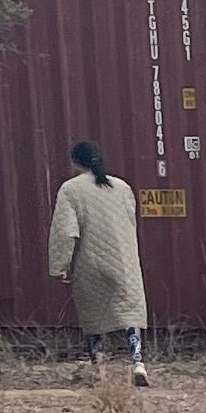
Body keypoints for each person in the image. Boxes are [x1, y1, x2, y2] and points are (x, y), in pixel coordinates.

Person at [48, 142, 149, 383]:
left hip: (89, 262)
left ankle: (98, 367)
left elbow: (65, 232)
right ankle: (138, 362)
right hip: (124, 261)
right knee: (130, 312)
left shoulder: (70, 190)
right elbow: (131, 223)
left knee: (92, 314)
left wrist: (60, 265)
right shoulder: (122, 187)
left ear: (75, 162)